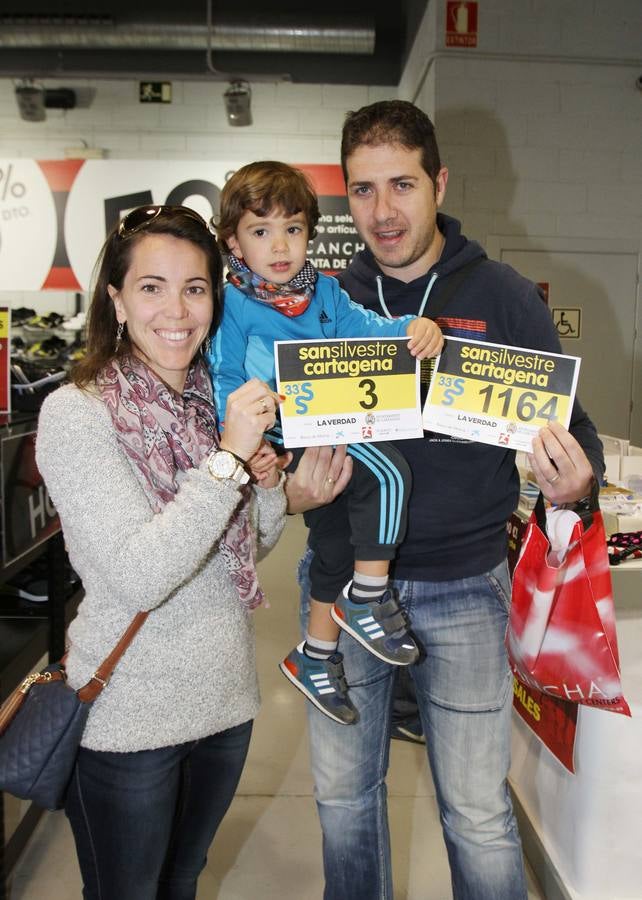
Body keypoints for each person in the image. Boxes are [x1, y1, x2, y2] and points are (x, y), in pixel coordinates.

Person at [292, 101, 605, 899]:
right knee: (342, 803)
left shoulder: (501, 295)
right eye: (362, 190)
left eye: (401, 184)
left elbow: (578, 432)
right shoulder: (319, 302)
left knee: (476, 811)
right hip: (341, 592)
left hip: (465, 587)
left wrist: (576, 480)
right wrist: (286, 484)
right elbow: (282, 439)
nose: (383, 211)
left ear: (439, 183)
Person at [35, 204, 287, 900]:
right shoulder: (78, 413)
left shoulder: (216, 399)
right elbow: (142, 574)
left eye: (195, 287)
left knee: (182, 882)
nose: (176, 309)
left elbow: (246, 549)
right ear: (115, 299)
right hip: (129, 717)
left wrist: (270, 485)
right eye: (151, 286)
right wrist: (231, 458)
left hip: (225, 701)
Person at [206, 160, 443, 725]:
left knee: (338, 535)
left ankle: (315, 656)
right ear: (234, 242)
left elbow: (365, 326)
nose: (280, 245)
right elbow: (224, 380)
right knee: (388, 475)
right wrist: (244, 442)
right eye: (260, 232)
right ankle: (368, 595)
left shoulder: (326, 293)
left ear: (310, 232)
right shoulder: (232, 302)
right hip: (289, 431)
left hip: (333, 420)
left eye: (293, 229)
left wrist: (412, 329)